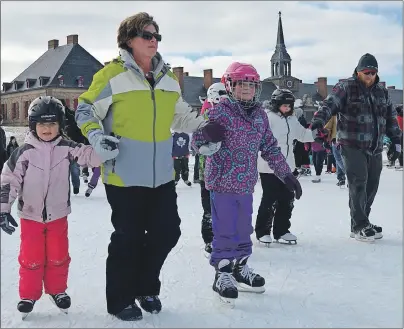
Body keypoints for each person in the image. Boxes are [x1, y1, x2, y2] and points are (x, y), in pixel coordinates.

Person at [75, 12, 225, 321]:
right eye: (147, 35)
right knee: (127, 237)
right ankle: (119, 299)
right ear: (129, 40)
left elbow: (180, 115)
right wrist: (96, 135)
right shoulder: (111, 75)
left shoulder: (167, 78)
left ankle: (145, 286)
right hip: (124, 173)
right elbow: (85, 109)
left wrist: (205, 126)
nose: (153, 40)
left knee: (167, 232)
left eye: (157, 36)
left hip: (162, 174)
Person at [192, 62, 302, 306]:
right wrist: (205, 139)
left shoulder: (260, 116)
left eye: (251, 85)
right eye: (242, 85)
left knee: (243, 228)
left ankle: (240, 267)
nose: (247, 90)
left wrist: (286, 175)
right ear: (230, 86)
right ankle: (223, 272)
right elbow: (197, 140)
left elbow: (271, 149)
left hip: (245, 183)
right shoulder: (219, 111)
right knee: (225, 229)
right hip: (221, 181)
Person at [0, 96, 108, 317]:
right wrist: (3, 209)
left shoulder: (66, 147)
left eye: (52, 124)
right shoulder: (24, 152)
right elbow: (8, 180)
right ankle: (28, 294)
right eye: (41, 124)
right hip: (31, 216)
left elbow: (88, 156)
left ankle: (57, 290)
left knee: (59, 255)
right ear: (33, 125)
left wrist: (103, 148)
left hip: (58, 214)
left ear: (60, 125)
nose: (47, 129)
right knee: (31, 257)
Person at [311, 53, 402, 242]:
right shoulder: (346, 87)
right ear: (358, 72)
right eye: (366, 72)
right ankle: (359, 224)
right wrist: (318, 122)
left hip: (375, 146)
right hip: (351, 144)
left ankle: (363, 221)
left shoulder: (381, 92)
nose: (370, 76)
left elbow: (391, 117)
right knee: (358, 182)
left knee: (372, 185)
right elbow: (329, 105)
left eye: (373, 72)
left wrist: (397, 140)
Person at [256, 89, 313, 245]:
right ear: (276, 104)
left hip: (288, 166)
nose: (287, 108)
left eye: (290, 106)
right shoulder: (268, 118)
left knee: (287, 199)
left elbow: (301, 135)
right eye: (284, 105)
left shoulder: (292, 119)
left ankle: (281, 231)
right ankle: (263, 231)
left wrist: (317, 134)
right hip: (268, 167)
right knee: (270, 199)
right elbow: (259, 140)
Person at [197, 83, 229, 256]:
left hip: (228, 171)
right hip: (208, 171)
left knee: (226, 208)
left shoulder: (233, 116)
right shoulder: (205, 116)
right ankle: (210, 240)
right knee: (209, 208)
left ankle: (225, 239)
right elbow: (196, 140)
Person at [63, 102, 86, 194]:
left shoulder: (73, 117)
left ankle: (76, 187)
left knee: (75, 170)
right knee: (63, 172)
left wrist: (80, 145)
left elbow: (80, 134)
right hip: (63, 150)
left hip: (74, 149)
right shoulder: (56, 119)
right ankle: (66, 189)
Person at [324, 115, 346, 186]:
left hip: (341, 139)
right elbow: (328, 127)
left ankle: (348, 174)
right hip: (338, 139)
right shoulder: (335, 115)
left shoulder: (335, 114)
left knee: (339, 158)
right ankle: (341, 177)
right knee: (339, 159)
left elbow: (328, 127)